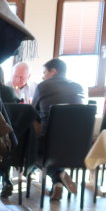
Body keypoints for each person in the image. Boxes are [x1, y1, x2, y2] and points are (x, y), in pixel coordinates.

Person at [32, 58, 85, 200]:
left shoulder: (43, 86)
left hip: (50, 143)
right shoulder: (79, 87)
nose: (43, 76)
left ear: (53, 71)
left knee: (30, 150)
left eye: (45, 72)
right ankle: (58, 180)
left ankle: (57, 174)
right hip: (77, 146)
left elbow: (32, 112)